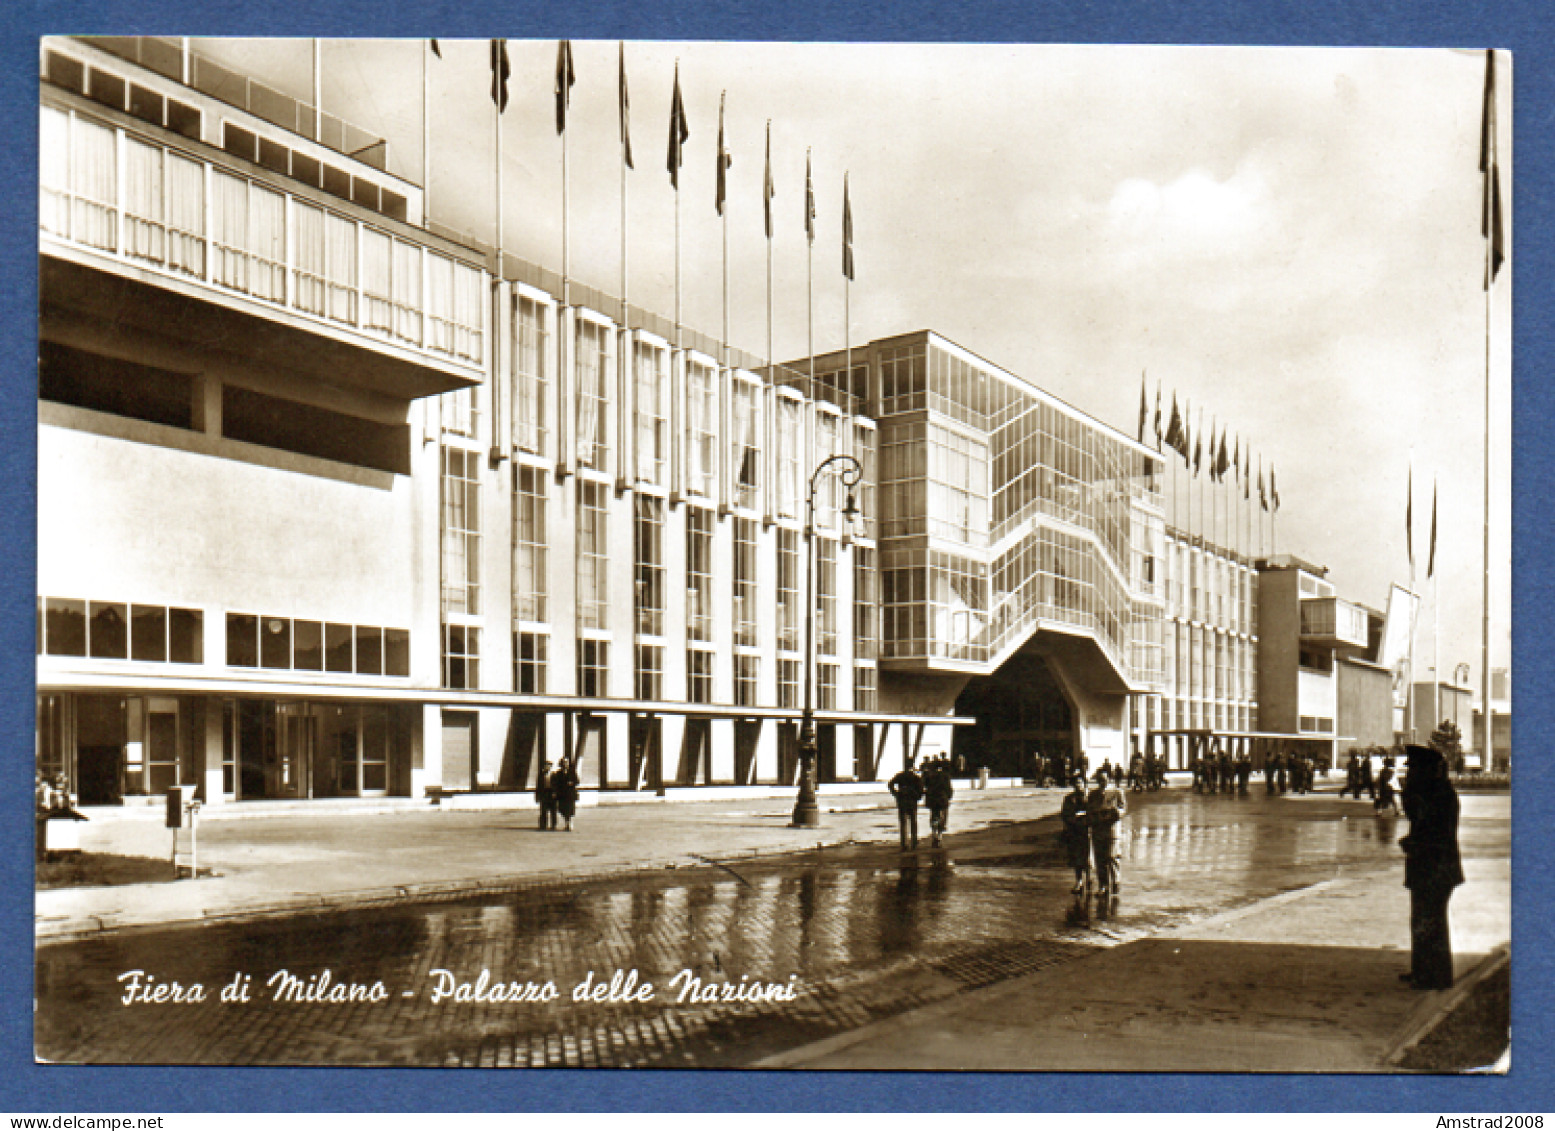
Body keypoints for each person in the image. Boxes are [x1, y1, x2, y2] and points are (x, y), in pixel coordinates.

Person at [1399, 744, 1464, 989]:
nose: (1410, 774)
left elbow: (1428, 826)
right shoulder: (1435, 792)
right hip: (1431, 867)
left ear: (1427, 771)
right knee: (1423, 919)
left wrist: (1413, 842)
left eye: (1414, 770)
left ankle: (1433, 976)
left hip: (1434, 868)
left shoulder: (1437, 794)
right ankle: (1422, 971)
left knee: (1430, 921)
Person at [1086, 767, 1128, 896]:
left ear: (1109, 779)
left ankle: (1116, 881)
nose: (1101, 782)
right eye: (1099, 780)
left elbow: (1123, 809)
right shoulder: (1093, 794)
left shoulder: (1117, 792)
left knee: (1112, 857)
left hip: (1112, 831)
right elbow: (1089, 810)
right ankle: (1103, 885)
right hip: (1098, 830)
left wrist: (1116, 813)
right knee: (1100, 860)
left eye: (1104, 779)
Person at [1059, 776, 1092, 895]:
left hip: (1087, 830)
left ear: (1084, 784)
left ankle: (1089, 878)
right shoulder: (1069, 798)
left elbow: (1093, 812)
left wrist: (1085, 816)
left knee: (1087, 857)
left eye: (1080, 782)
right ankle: (1079, 881)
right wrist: (1072, 819)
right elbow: (1064, 814)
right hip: (1074, 831)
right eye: (1076, 783)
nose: (1078, 785)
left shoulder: (1090, 798)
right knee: (1076, 857)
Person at [888, 760, 924, 850]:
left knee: (903, 822)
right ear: (912, 766)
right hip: (912, 801)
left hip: (902, 800)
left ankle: (904, 843)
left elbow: (890, 784)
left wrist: (896, 794)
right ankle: (914, 842)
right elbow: (921, 789)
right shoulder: (915, 777)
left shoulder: (900, 775)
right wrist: (917, 796)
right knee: (913, 822)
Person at [924, 755, 954, 847]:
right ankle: (940, 834)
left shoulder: (929, 775)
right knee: (943, 816)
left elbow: (924, 786)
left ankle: (934, 833)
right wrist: (948, 797)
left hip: (932, 799)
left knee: (933, 815)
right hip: (942, 798)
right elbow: (949, 788)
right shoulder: (945, 775)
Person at [551, 756, 579, 832]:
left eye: (566, 762)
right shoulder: (558, 773)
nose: (565, 764)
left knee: (570, 809)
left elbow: (577, 781)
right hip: (562, 795)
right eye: (563, 762)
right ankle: (567, 822)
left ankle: (569, 823)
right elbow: (556, 784)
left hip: (570, 794)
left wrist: (572, 782)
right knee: (562, 809)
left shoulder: (572, 772)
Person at [535, 760, 557, 830]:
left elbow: (557, 785)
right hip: (544, 793)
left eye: (549, 766)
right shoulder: (541, 775)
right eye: (546, 765)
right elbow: (538, 786)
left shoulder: (554, 775)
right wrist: (537, 796)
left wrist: (555, 793)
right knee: (543, 810)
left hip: (552, 793)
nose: (547, 767)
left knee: (553, 810)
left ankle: (553, 825)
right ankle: (543, 825)